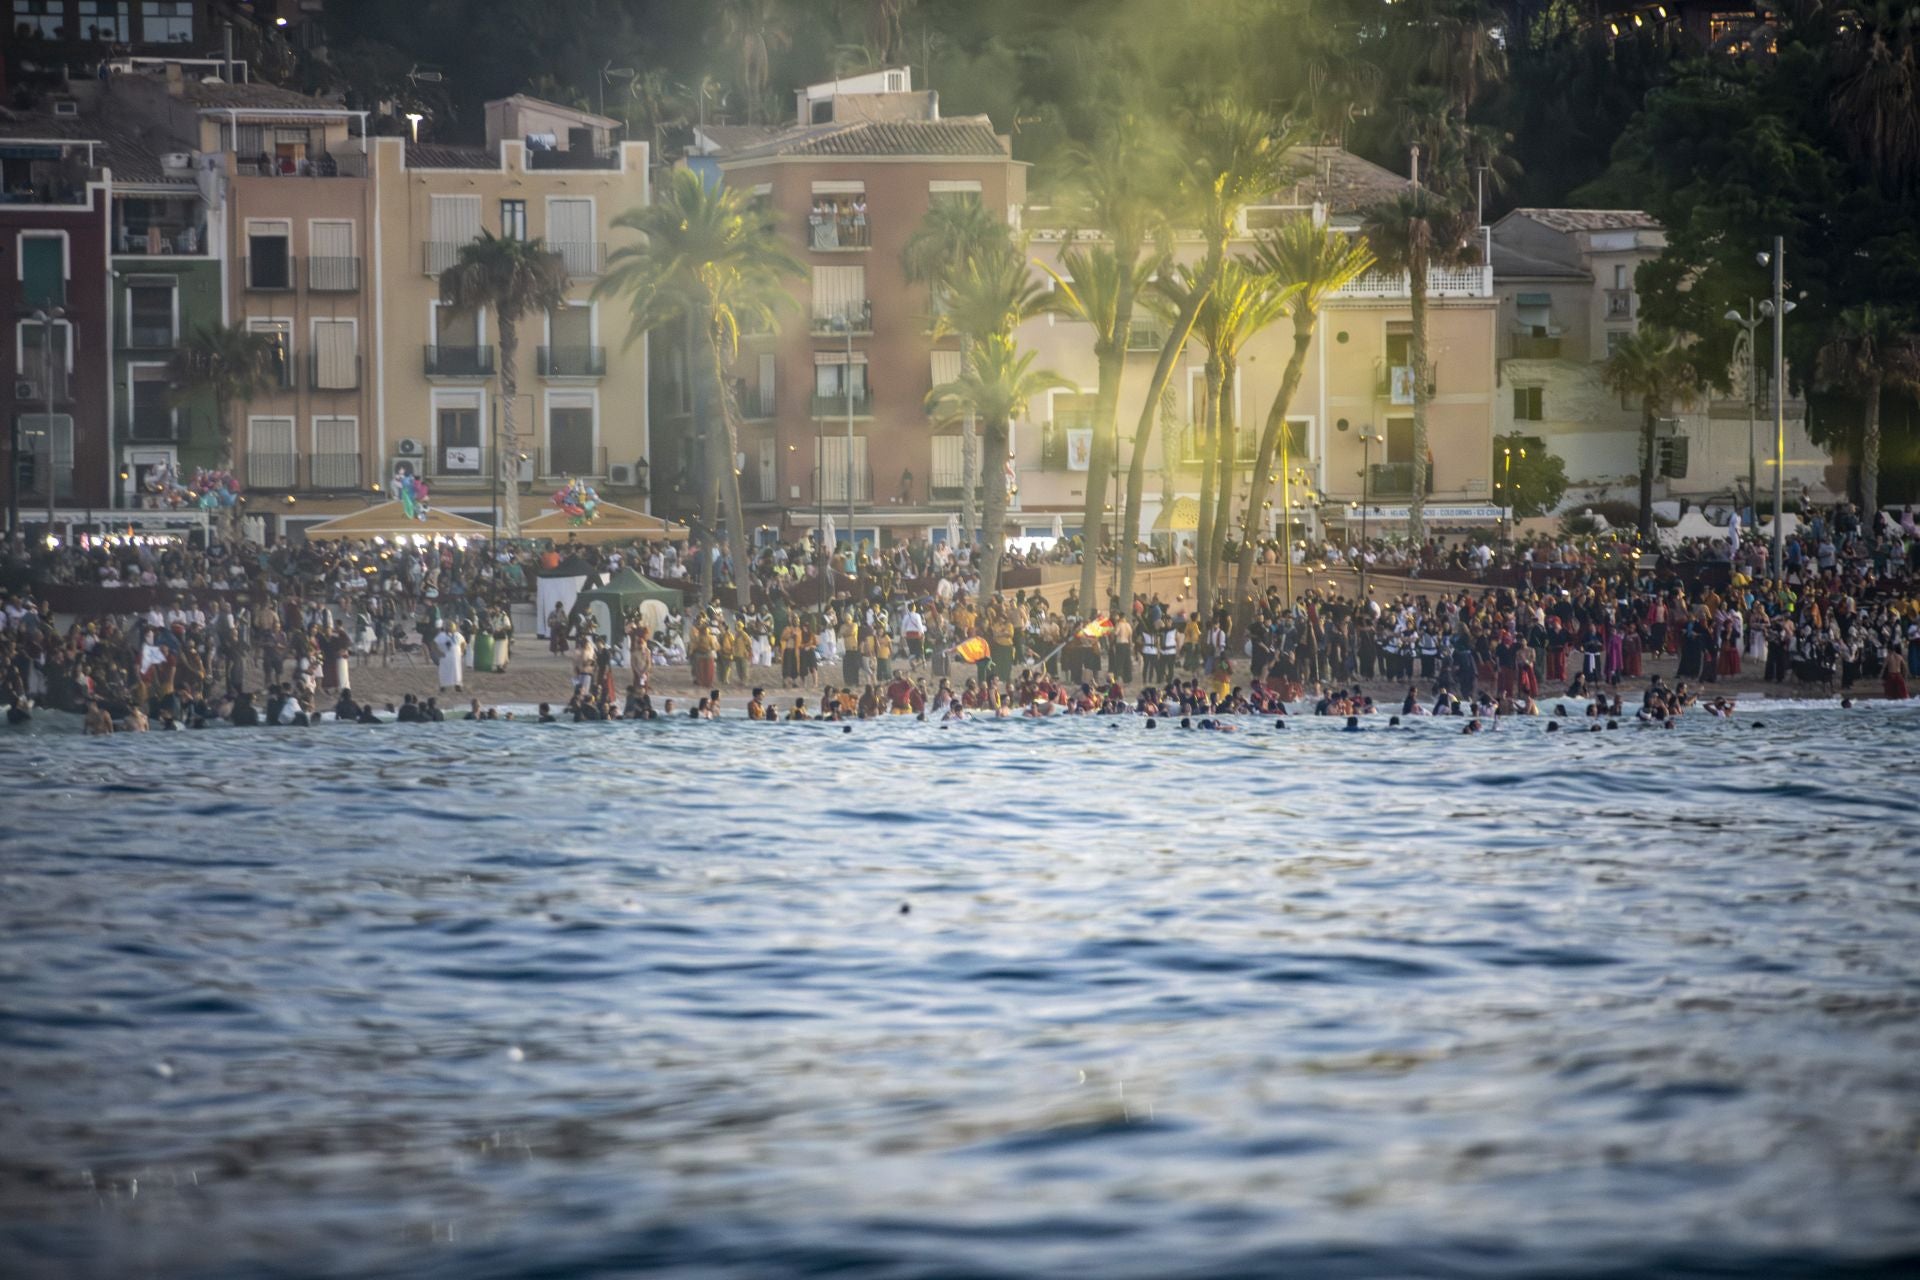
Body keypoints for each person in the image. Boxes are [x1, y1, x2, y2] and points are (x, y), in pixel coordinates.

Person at [435, 621, 466, 693]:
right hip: (445, 656)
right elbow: (434, 644)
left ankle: (457, 686)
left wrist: (461, 651)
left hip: (455, 657)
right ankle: (443, 686)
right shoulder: (442, 635)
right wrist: (438, 652)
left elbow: (463, 643)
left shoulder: (457, 635)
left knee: (456, 671)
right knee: (444, 671)